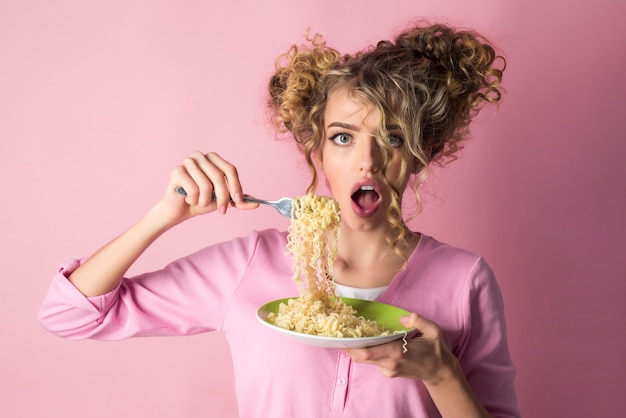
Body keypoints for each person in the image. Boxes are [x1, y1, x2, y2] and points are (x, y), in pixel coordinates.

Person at [38, 21, 519, 418]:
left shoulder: (463, 280)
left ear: (420, 154)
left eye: (392, 138)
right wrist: (163, 216)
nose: (366, 162)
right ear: (317, 148)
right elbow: (69, 314)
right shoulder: (250, 264)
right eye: (343, 138)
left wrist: (440, 374)